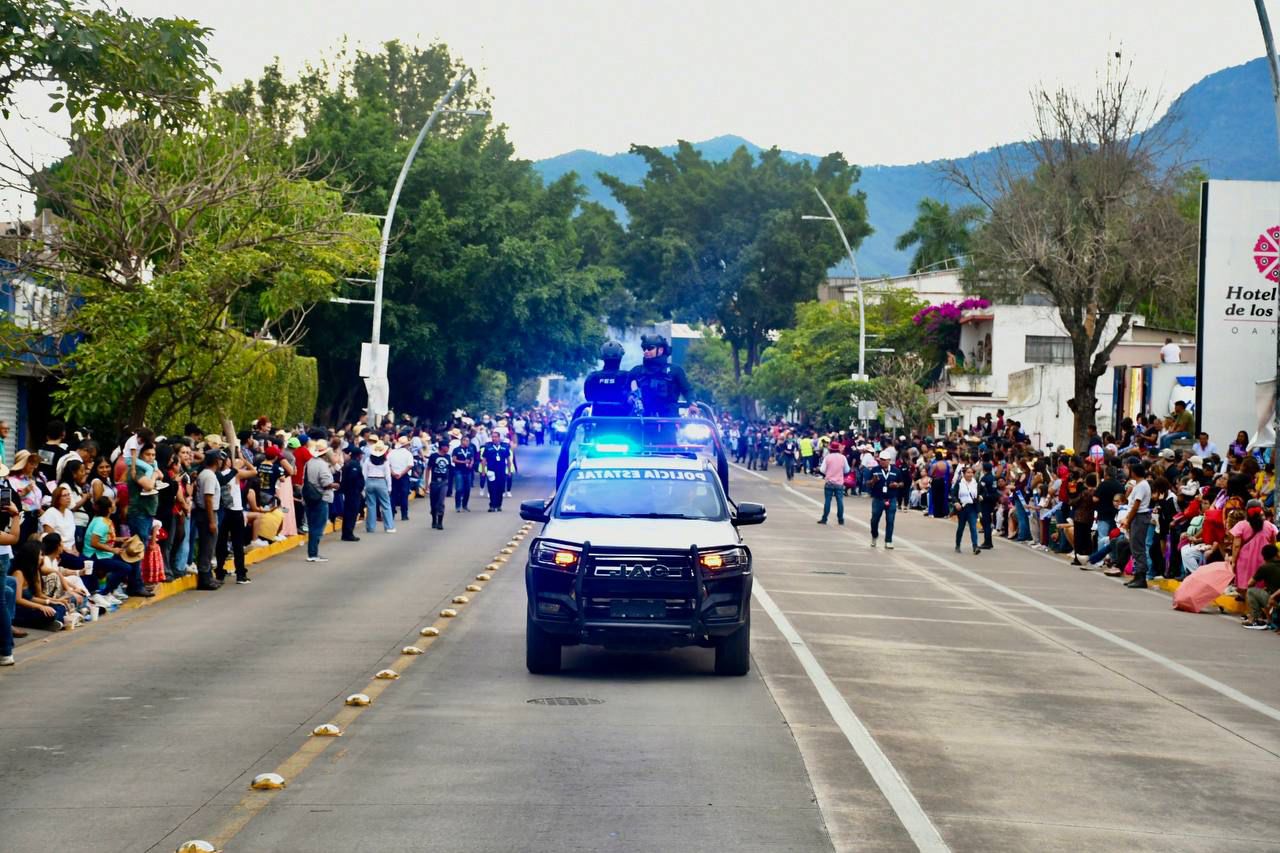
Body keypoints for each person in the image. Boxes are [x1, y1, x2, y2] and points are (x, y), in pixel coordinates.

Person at [629, 334, 693, 417]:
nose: (646, 351)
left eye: (650, 348)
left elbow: (687, 390)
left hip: (669, 420)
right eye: (644, 349)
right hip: (643, 419)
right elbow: (624, 389)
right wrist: (629, 397)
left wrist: (692, 403)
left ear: (661, 350)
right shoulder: (637, 371)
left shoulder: (675, 371)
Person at [1227, 499, 1277, 594]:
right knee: (1261, 585)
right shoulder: (1270, 526)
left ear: (1247, 510)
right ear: (1261, 510)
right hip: (1264, 560)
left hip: (1244, 560)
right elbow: (1273, 546)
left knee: (1244, 585)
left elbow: (1236, 546)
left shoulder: (1241, 525)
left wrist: (1233, 561)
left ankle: (1246, 604)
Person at [303, 439, 337, 561]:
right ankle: (313, 554)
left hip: (309, 497)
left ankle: (312, 552)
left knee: (312, 525)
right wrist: (334, 485)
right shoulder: (322, 465)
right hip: (320, 497)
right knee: (318, 527)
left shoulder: (309, 463)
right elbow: (325, 483)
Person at [1119, 463, 1153, 588]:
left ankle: (1141, 576)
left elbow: (1136, 505)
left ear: (1134, 472)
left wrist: (1128, 519)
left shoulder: (1142, 485)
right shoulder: (1138, 485)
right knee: (1134, 546)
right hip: (1136, 517)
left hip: (1139, 517)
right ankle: (1137, 575)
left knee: (1138, 547)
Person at [193, 450, 223, 590]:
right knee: (207, 546)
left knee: (208, 546)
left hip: (205, 512)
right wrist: (211, 521)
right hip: (207, 513)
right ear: (217, 461)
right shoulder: (209, 476)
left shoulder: (205, 474)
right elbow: (208, 499)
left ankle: (208, 575)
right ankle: (205, 578)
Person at [584, 340, 633, 416]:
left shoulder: (593, 377)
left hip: (598, 421)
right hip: (624, 422)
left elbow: (588, 397)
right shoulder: (627, 376)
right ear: (620, 356)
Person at [867, 449, 900, 548]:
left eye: (885, 460)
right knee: (874, 519)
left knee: (890, 520)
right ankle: (874, 535)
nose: (883, 461)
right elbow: (867, 483)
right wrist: (873, 480)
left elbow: (902, 482)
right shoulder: (875, 470)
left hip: (891, 498)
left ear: (889, 460)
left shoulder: (895, 471)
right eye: (881, 459)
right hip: (878, 498)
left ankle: (888, 540)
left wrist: (896, 484)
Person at [1242, 543, 1280, 628]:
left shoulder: (1265, 567)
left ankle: (1256, 619)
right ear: (1277, 554)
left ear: (1264, 556)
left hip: (1274, 599)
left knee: (1251, 591)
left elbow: (1250, 583)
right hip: (1275, 598)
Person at [361, 440, 395, 533]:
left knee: (371, 505)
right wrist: (389, 488)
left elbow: (364, 474)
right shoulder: (385, 461)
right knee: (386, 505)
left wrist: (363, 487)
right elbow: (388, 476)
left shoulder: (368, 460)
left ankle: (370, 527)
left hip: (369, 481)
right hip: (381, 482)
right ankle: (389, 527)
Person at [816, 442, 850, 526]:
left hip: (829, 482)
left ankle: (824, 518)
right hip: (839, 482)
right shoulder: (843, 458)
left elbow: (822, 470)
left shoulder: (827, 457)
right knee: (840, 501)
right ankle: (840, 519)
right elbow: (847, 470)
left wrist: (829, 472)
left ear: (830, 449)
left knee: (828, 500)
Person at [954, 465, 981, 554]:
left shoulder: (976, 483)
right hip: (962, 508)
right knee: (961, 527)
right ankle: (958, 545)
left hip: (972, 508)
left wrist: (981, 497)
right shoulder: (959, 483)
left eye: (971, 473)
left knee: (973, 527)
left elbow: (982, 492)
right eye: (968, 473)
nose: (970, 474)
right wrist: (956, 502)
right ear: (964, 474)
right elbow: (953, 494)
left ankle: (975, 546)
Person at [339, 444, 364, 542]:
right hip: (353, 493)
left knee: (348, 513)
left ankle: (346, 533)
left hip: (350, 492)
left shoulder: (349, 463)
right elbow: (353, 478)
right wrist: (357, 489)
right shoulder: (354, 465)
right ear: (358, 455)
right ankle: (348, 533)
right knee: (352, 513)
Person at [482, 432, 512, 512]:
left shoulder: (504, 447)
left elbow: (508, 460)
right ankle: (492, 505)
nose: (494, 438)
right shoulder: (488, 447)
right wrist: (483, 470)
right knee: (492, 488)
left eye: (495, 437)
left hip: (501, 470)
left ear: (499, 438)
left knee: (500, 488)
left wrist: (509, 471)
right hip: (491, 470)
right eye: (493, 437)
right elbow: (484, 459)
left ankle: (498, 505)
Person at [427, 437, 452, 530]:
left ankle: (440, 522)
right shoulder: (433, 456)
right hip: (434, 481)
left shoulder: (448, 457)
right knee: (433, 503)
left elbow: (449, 469)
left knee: (441, 502)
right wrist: (427, 483)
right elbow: (428, 469)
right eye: (447, 447)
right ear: (442, 447)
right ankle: (434, 519)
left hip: (444, 482)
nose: (448, 448)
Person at [388, 435, 414, 522]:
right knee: (404, 495)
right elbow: (410, 466)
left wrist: (393, 473)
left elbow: (388, 465)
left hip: (393, 476)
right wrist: (401, 474)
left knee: (393, 495)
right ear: (406, 445)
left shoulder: (391, 453)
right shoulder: (408, 454)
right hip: (404, 476)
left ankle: (391, 514)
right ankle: (404, 515)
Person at [451, 434, 476, 511]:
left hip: (468, 471)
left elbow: (472, 459)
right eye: (466, 441)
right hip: (459, 470)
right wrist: (463, 462)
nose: (467, 442)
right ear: (462, 441)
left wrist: (471, 464)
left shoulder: (470, 449)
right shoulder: (456, 450)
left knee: (467, 489)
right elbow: (454, 460)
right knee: (459, 488)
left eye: (468, 441)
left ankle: (465, 505)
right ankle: (458, 505)